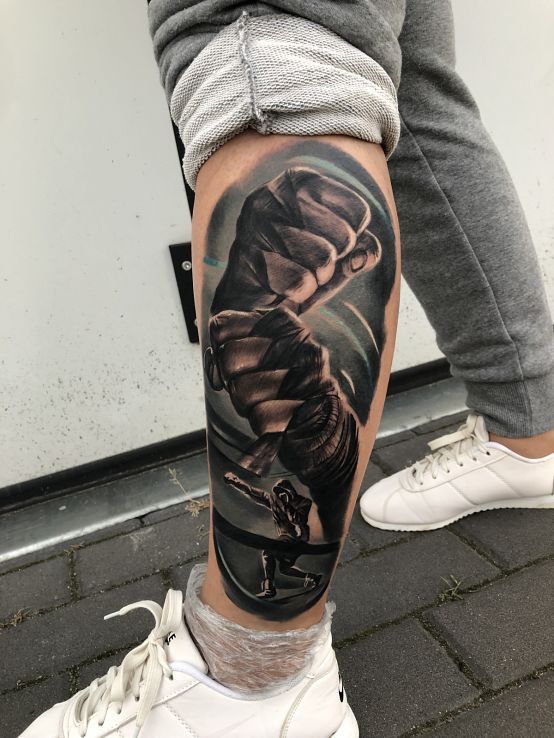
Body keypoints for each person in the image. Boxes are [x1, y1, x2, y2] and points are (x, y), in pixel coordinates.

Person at [19, 1, 554, 736]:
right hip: (302, 435)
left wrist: (256, 315)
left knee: (272, 33)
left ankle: (250, 675)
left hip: (302, 438)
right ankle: (527, 431)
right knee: (417, 102)